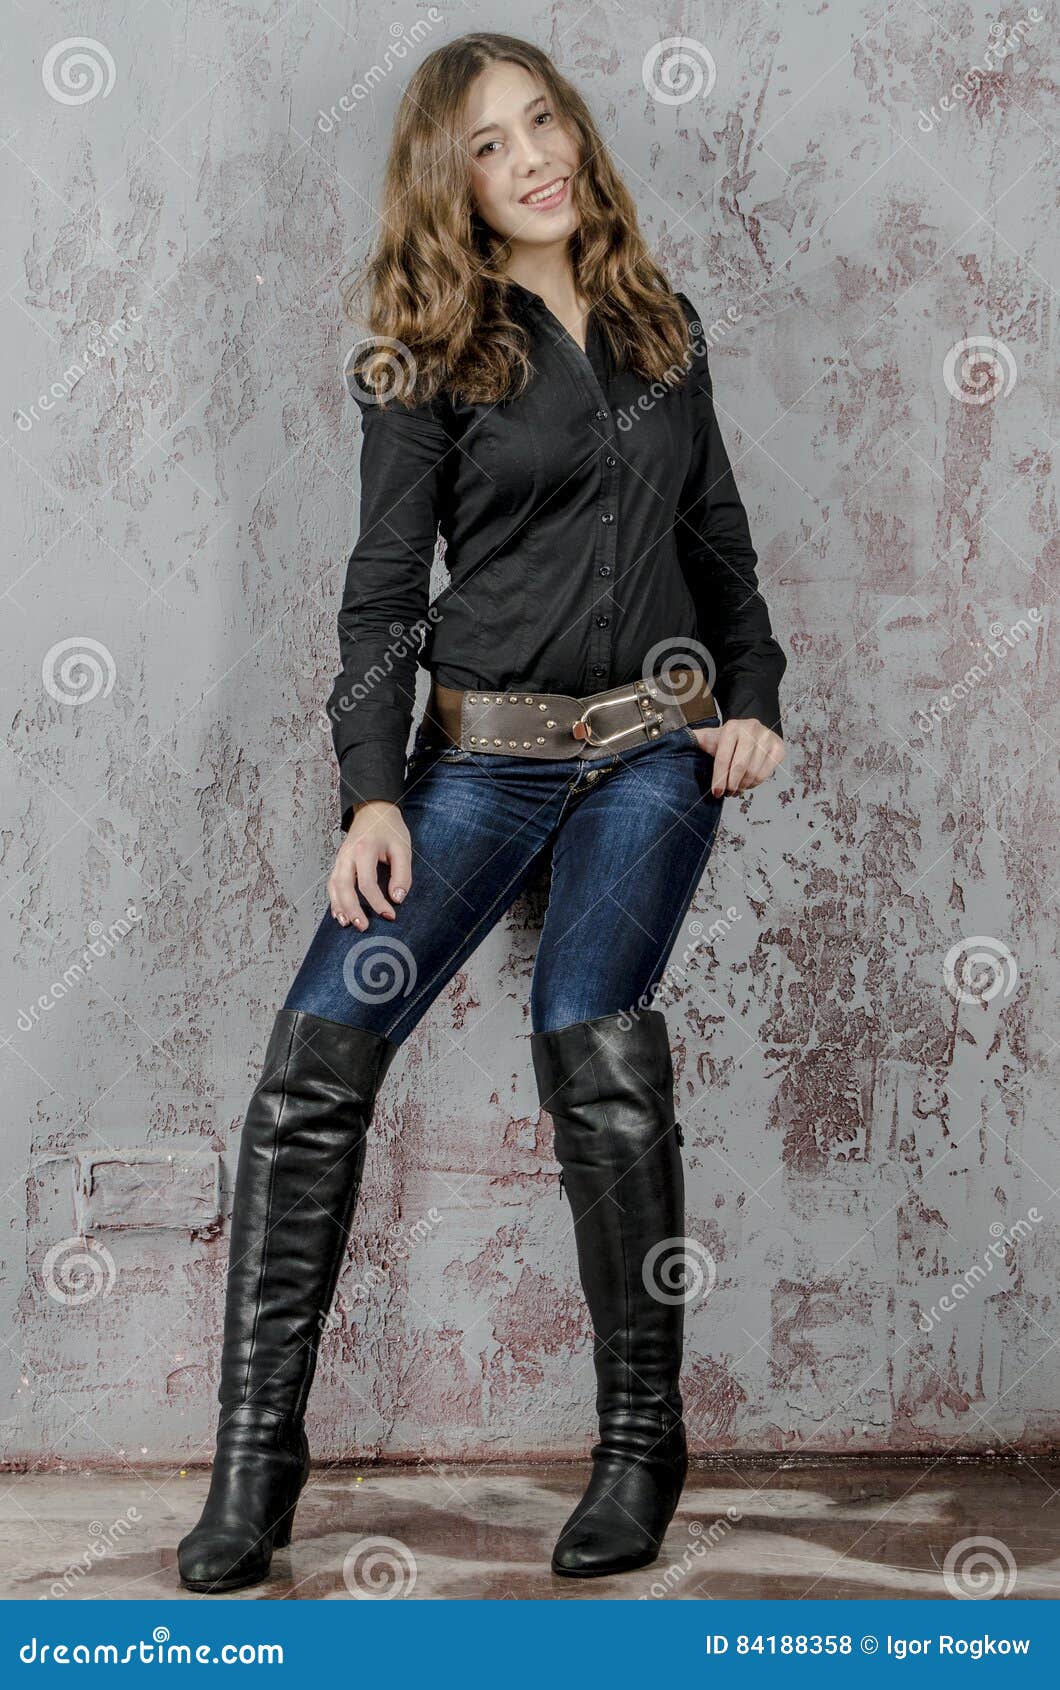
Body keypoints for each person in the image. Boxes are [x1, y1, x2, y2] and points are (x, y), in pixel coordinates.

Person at [178, 31, 787, 1594]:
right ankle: (256, 1465)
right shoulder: (420, 345)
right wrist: (373, 791)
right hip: (483, 760)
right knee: (318, 1048)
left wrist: (755, 700)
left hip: (652, 750)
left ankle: (642, 1445)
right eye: (490, 144)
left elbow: (720, 542)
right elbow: (384, 593)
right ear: (447, 182)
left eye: (542, 122)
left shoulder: (663, 325)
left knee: (590, 1022)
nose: (531, 157)